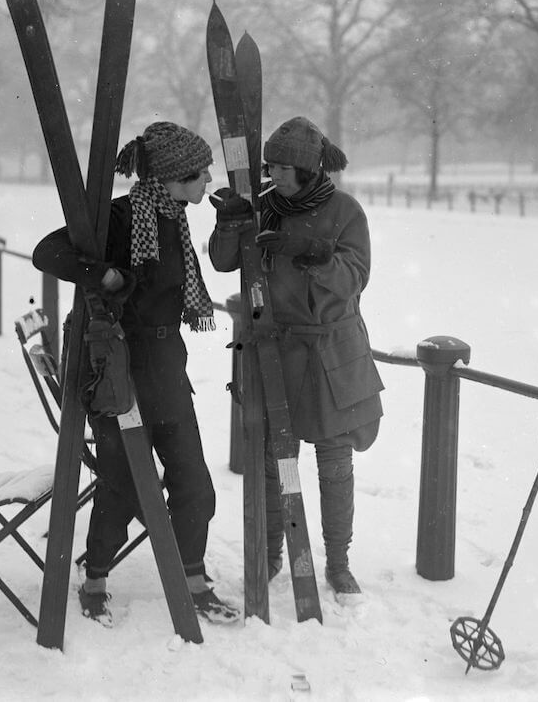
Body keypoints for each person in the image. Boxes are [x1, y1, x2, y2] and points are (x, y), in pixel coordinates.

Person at [32, 121, 238, 627]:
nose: (207, 181)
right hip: (118, 370)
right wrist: (101, 274)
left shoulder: (173, 218)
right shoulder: (121, 217)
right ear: (171, 178)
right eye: (200, 174)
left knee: (194, 481)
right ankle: (96, 576)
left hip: (166, 368)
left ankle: (193, 578)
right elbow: (48, 252)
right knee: (121, 482)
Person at [208, 116, 384, 601]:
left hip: (331, 352)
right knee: (273, 461)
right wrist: (229, 223)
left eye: (285, 168)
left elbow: (355, 275)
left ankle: (339, 562)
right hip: (276, 349)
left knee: (334, 461)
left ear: (308, 169)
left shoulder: (346, 210)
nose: (276, 175)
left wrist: (313, 252)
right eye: (271, 166)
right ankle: (269, 555)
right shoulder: (263, 208)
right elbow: (225, 261)